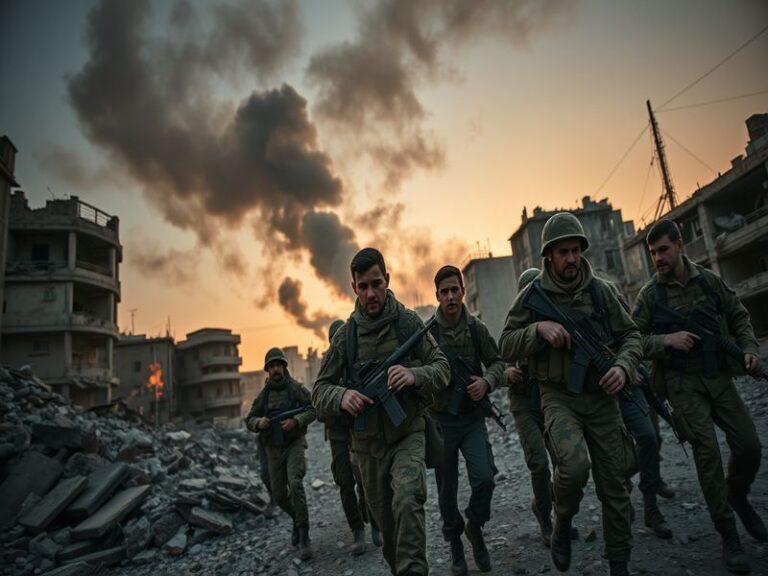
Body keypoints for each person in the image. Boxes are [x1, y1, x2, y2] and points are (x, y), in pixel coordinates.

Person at [499, 213, 641, 576]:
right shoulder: (532, 296)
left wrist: (623, 367)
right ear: (548, 255)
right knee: (574, 467)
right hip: (558, 397)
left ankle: (619, 564)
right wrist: (537, 330)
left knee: (615, 485)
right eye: (563, 252)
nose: (572, 258)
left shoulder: (601, 292)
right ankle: (561, 520)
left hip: (602, 398)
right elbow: (505, 343)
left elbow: (631, 336)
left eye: (576, 250)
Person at [631, 218, 765, 574]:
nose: (657, 258)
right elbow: (630, 341)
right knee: (708, 455)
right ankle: (728, 536)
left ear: (680, 245)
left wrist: (749, 350)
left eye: (663, 250)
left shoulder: (708, 281)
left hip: (718, 378)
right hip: (681, 385)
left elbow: (738, 316)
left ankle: (737, 495)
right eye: (652, 253)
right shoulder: (650, 296)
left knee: (750, 446)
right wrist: (665, 340)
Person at [312, 247, 450, 576]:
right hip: (367, 448)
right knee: (388, 532)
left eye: (377, 283)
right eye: (363, 286)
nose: (371, 293)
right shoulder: (345, 337)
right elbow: (318, 392)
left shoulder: (408, 323)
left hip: (408, 433)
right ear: (354, 287)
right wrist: (342, 395)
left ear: (387, 279)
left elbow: (442, 368)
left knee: (408, 501)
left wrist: (414, 375)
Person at [428, 265, 505, 575]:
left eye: (454, 290)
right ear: (437, 295)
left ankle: (474, 525)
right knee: (446, 490)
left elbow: (497, 363)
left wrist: (486, 382)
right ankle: (455, 544)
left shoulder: (476, 329)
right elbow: (417, 373)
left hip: (472, 419)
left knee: (485, 478)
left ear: (462, 292)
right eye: (444, 292)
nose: (450, 297)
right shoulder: (428, 334)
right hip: (441, 422)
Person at [245, 347, 316, 561]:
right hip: (272, 450)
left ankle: (304, 535)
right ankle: (296, 518)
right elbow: (249, 419)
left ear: (284, 367)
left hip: (294, 444)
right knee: (278, 495)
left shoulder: (296, 389)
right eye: (272, 366)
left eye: (279, 365)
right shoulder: (263, 396)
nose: (276, 369)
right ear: (267, 370)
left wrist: (296, 421)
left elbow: (313, 409)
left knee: (295, 483)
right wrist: (259, 422)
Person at [322, 319, 380, 555]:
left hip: (359, 429)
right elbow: (317, 404)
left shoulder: (357, 361)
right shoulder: (327, 368)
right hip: (337, 433)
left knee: (366, 479)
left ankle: (375, 521)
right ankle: (357, 529)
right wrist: (338, 401)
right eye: (334, 339)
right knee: (345, 482)